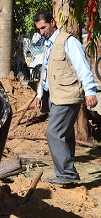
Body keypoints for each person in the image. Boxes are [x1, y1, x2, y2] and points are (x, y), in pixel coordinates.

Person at [33, 10, 98, 185]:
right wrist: (40, 94)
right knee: (65, 134)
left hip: (67, 96)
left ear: (53, 22)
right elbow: (45, 71)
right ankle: (68, 175)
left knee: (54, 133)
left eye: (44, 27)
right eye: (39, 29)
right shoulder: (49, 44)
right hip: (54, 96)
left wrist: (90, 91)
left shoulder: (68, 41)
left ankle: (66, 174)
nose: (42, 32)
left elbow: (82, 67)